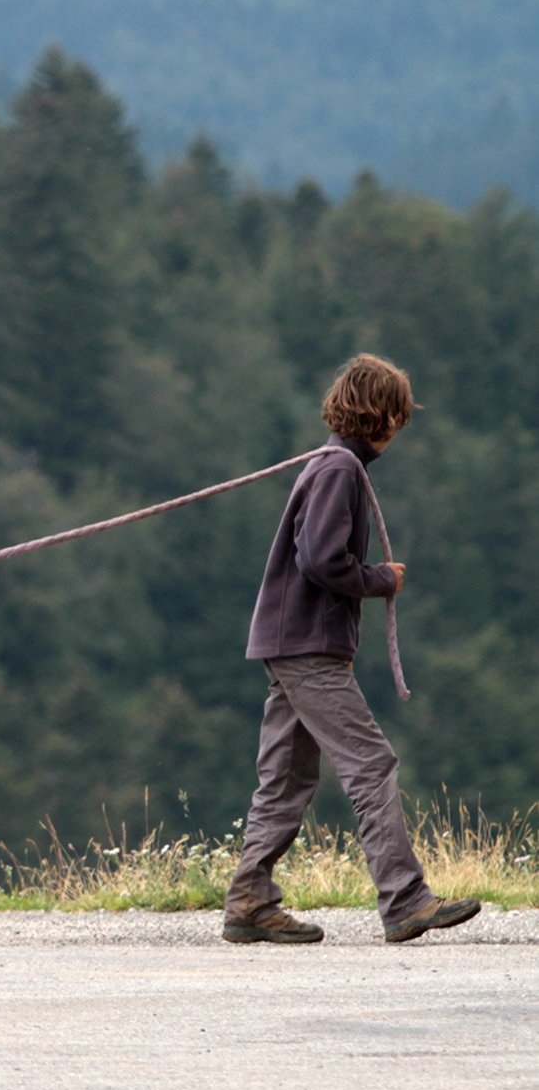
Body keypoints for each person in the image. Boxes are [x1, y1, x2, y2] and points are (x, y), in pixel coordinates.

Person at [225, 354, 480, 946]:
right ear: (384, 417)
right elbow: (320, 560)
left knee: (285, 778)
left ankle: (249, 901)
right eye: (399, 416)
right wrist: (378, 579)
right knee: (371, 763)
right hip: (309, 647)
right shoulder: (340, 470)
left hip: (288, 643)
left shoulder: (331, 463)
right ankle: (405, 899)